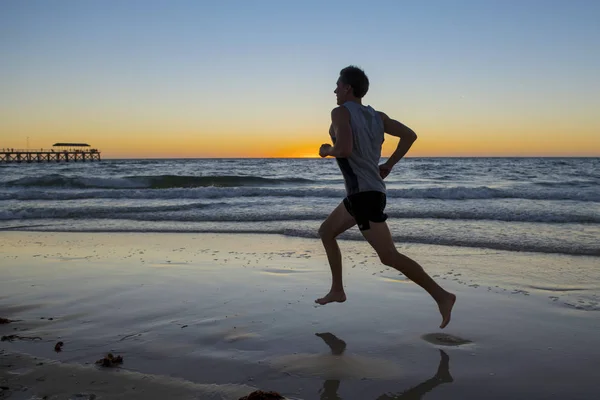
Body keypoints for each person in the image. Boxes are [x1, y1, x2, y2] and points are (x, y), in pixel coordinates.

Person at [316, 66, 456, 329]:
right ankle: (337, 289)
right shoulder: (377, 116)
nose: (334, 90)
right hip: (366, 193)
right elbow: (409, 135)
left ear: (347, 88)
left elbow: (344, 149)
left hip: (364, 197)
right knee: (326, 232)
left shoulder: (340, 112)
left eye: (337, 85)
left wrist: (327, 150)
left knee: (389, 256)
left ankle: (442, 296)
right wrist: (389, 164)